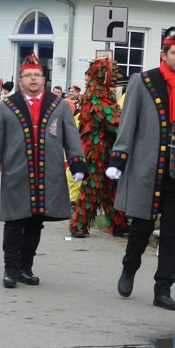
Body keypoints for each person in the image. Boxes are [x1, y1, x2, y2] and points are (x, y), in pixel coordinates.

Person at [107, 27, 175, 311]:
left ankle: (163, 289)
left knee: (172, 232)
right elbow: (129, 122)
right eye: (174, 52)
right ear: (163, 54)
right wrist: (119, 157)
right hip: (148, 169)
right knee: (141, 228)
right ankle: (129, 268)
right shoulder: (143, 81)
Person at [0, 61, 87, 287]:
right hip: (17, 172)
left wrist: (78, 163)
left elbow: (71, 137)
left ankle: (25, 267)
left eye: (37, 75)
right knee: (13, 221)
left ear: (44, 79)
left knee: (35, 223)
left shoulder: (59, 106)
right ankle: (10, 269)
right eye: (28, 75)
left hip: (47, 174)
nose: (33, 79)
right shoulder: (5, 106)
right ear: (20, 80)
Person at [70, 56, 127, 239]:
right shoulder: (96, 96)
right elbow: (113, 120)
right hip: (95, 152)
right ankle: (79, 225)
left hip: (105, 150)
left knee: (109, 188)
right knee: (91, 187)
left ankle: (118, 224)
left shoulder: (100, 93)